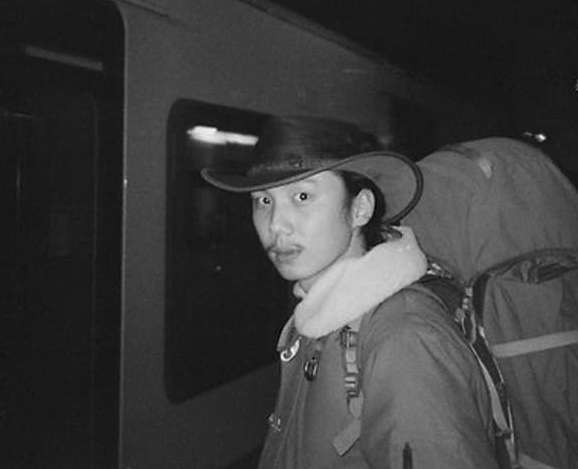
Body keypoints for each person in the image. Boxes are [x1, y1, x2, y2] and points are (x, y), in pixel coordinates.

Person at [201, 115, 501, 469]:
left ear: (360, 209)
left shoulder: (405, 338)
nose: (276, 225)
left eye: (302, 196)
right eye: (263, 201)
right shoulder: (320, 317)